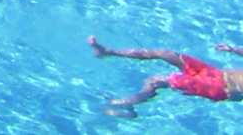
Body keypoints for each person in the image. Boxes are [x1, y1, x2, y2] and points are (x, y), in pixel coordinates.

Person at [89, 35, 243, 114]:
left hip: (220, 88)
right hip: (215, 73)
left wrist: (235, 94)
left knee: (157, 81)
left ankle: (129, 104)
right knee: (165, 53)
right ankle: (108, 52)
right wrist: (233, 49)